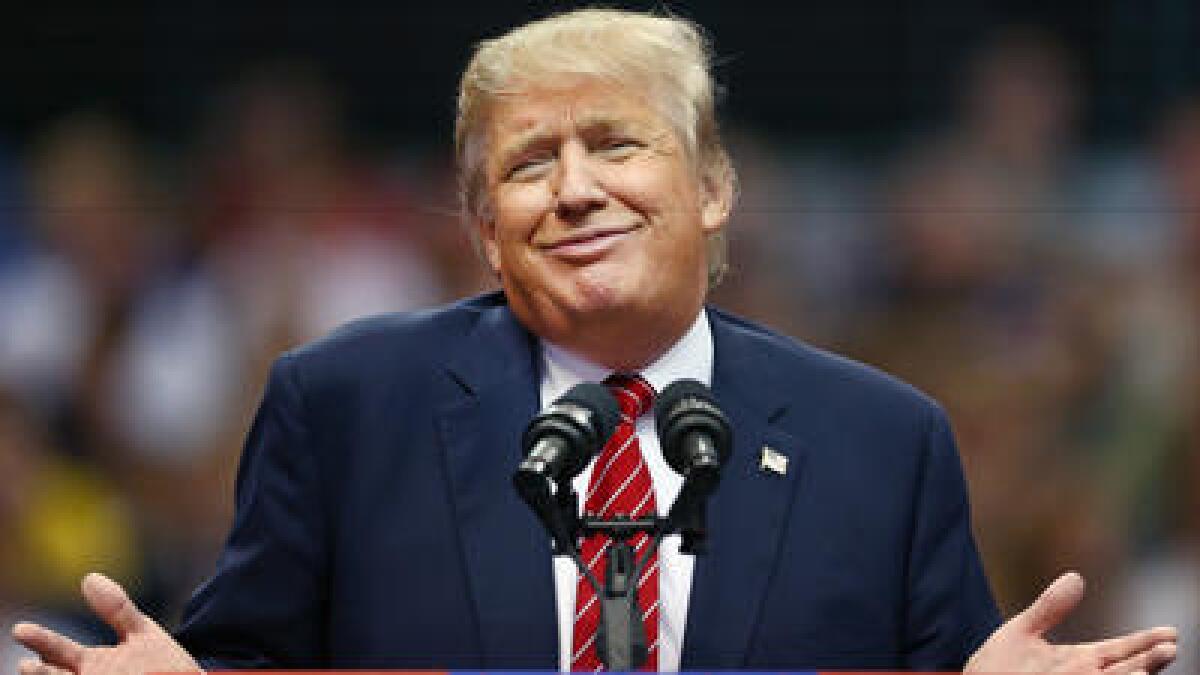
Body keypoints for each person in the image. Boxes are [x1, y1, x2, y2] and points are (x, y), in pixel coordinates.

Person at [12, 9, 1179, 673]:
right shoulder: (346, 408)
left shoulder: (881, 439)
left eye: (617, 145)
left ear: (713, 189)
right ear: (485, 230)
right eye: (530, 163)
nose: (575, 191)